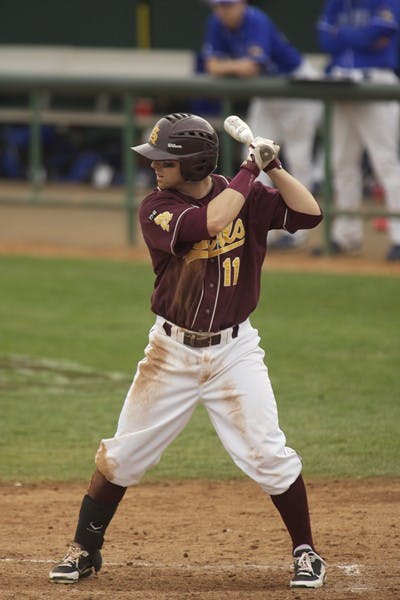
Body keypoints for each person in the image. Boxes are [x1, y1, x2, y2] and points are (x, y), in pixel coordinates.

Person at [49, 112, 326, 589]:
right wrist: (249, 169)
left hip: (235, 352)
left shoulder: (249, 193)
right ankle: (85, 549)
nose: (154, 167)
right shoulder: (158, 207)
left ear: (195, 163)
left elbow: (309, 214)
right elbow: (210, 222)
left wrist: (274, 166)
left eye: (165, 160)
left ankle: (306, 551)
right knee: (122, 456)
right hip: (170, 354)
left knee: (267, 453)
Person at [201, 0, 322, 250]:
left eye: (228, 5)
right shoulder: (216, 22)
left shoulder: (256, 19)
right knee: (253, 154)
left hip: (295, 85)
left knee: (298, 158)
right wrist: (238, 67)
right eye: (218, 6)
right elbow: (211, 66)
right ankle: (256, 228)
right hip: (268, 92)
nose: (223, 11)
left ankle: (296, 232)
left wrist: (232, 67)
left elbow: (251, 67)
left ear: (242, 3)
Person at [313, 0, 400, 261]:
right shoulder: (336, 2)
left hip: (377, 81)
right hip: (341, 82)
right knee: (341, 163)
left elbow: (380, 34)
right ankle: (346, 235)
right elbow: (325, 40)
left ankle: (399, 237)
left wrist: (342, 35)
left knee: (385, 162)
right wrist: (358, 38)